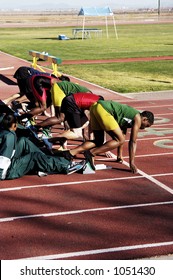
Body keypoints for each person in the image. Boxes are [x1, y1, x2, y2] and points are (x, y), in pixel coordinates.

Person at [56, 100, 154, 174]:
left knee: (98, 140)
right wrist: (131, 162)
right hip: (104, 110)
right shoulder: (137, 117)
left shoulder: (128, 117)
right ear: (144, 119)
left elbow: (122, 134)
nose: (144, 128)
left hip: (95, 107)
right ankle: (91, 153)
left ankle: (70, 153)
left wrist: (119, 156)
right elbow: (133, 141)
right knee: (119, 139)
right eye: (146, 125)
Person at [0, 114, 85, 180]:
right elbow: (3, 158)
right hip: (7, 170)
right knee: (34, 157)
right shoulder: (9, 137)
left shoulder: (4, 131)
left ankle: (45, 162)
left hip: (8, 162)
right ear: (13, 125)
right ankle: (66, 166)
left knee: (23, 141)